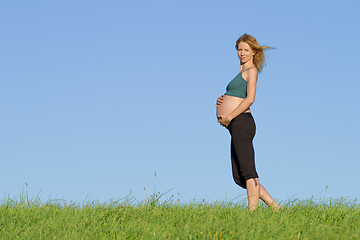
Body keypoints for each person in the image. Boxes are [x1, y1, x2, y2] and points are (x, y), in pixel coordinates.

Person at [216, 33, 282, 212]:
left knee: (248, 171)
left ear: (253, 52)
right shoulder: (240, 73)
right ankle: (276, 209)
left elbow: (250, 98)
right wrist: (223, 103)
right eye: (239, 50)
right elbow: (237, 96)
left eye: (246, 50)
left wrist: (229, 116)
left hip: (242, 122)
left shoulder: (251, 71)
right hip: (235, 126)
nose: (242, 53)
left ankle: (252, 214)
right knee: (239, 176)